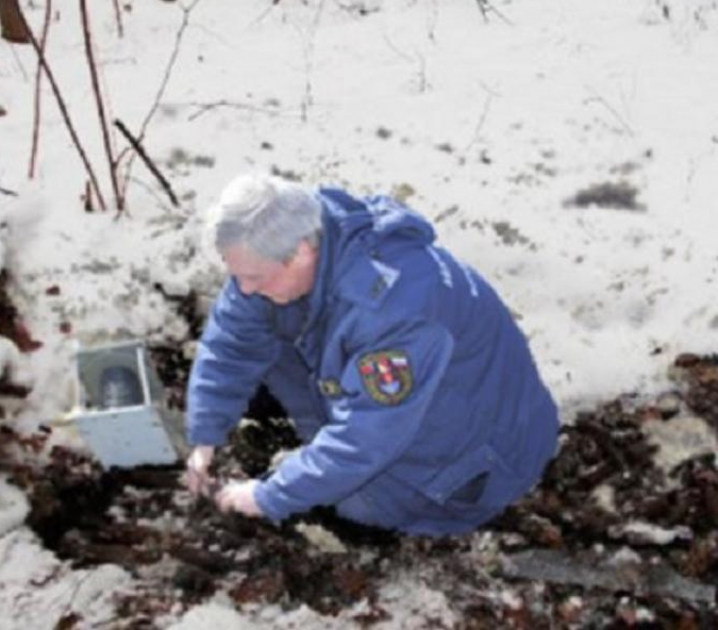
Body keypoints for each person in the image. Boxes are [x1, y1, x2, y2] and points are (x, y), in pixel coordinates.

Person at [184, 174, 559, 535]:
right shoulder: (295, 235)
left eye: (254, 277)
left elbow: (365, 439)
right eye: (238, 276)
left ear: (300, 253)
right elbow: (229, 342)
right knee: (266, 324)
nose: (243, 289)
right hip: (404, 394)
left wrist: (268, 497)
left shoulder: (397, 310)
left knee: (354, 506)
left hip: (482, 456)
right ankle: (317, 445)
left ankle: (379, 497)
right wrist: (204, 438)